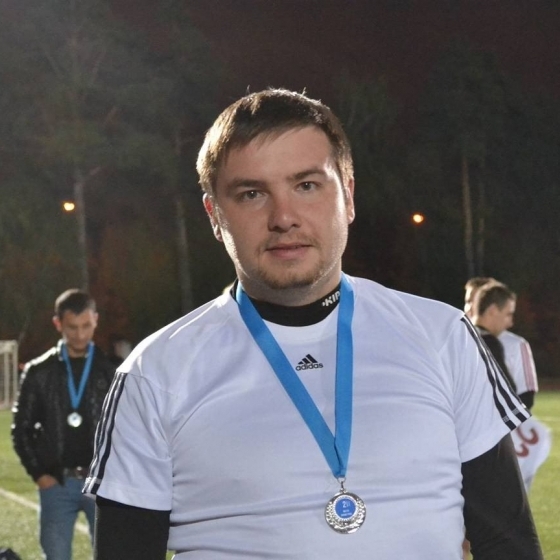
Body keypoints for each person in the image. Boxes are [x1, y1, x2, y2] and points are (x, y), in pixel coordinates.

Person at [86, 89, 543, 559]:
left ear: (348, 195)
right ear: (214, 216)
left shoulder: (443, 336)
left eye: (306, 185)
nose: (284, 218)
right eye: (251, 194)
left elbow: (508, 544)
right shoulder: (154, 373)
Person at [11, 289, 115, 560]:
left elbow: (126, 427)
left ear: (95, 320)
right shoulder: (38, 371)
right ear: (58, 323)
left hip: (102, 484)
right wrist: (40, 475)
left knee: (111, 554)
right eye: (72, 327)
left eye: (86, 326)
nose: (80, 335)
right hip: (57, 483)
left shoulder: (112, 370)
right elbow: (21, 429)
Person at [464, 277, 539, 410]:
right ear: (492, 309)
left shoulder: (516, 344)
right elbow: (506, 394)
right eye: (469, 301)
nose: (472, 306)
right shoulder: (488, 341)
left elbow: (526, 396)